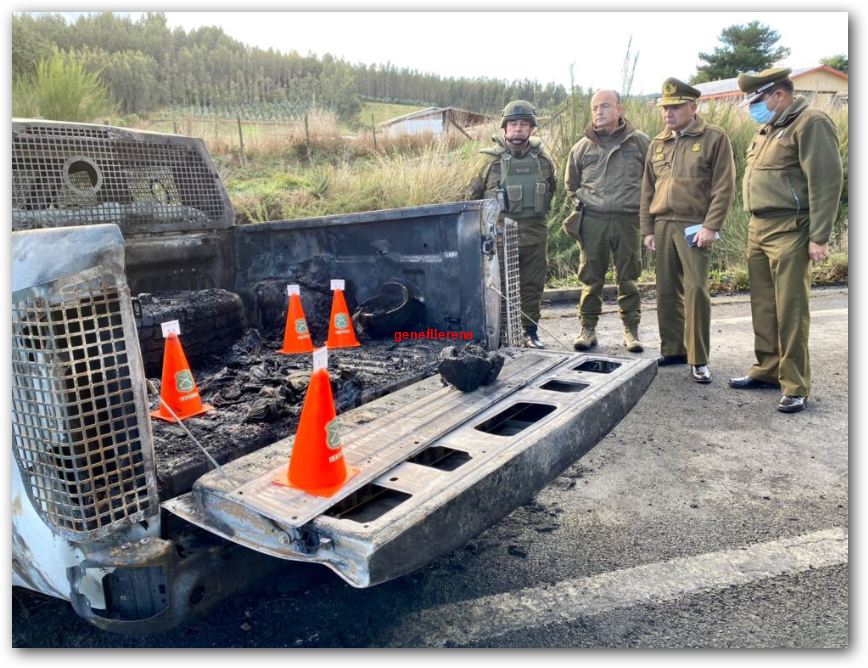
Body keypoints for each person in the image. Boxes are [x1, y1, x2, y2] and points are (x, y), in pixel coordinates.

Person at [729, 67, 843, 413]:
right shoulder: (768, 129)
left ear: (778, 95)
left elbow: (826, 182)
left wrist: (819, 237)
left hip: (791, 228)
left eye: (757, 100)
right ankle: (767, 370)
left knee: (791, 310)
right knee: (764, 305)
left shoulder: (810, 124)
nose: (753, 108)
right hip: (759, 227)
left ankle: (795, 384)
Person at [640, 77, 735, 383]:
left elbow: (724, 186)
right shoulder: (658, 142)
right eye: (665, 108)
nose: (668, 113)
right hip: (664, 223)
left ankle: (698, 358)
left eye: (676, 107)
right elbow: (647, 190)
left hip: (695, 225)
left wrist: (711, 225)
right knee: (666, 291)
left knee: (695, 290)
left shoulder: (713, 138)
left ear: (693, 107)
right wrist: (648, 229)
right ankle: (673, 349)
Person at [564, 89, 650, 353]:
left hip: (628, 221)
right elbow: (571, 185)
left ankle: (631, 330)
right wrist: (585, 205)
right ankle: (587, 329)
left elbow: (653, 180)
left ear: (619, 110)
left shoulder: (640, 143)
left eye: (604, 106)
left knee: (629, 278)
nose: (598, 112)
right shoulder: (582, 147)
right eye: (594, 108)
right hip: (593, 223)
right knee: (591, 279)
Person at [467, 100, 558, 348]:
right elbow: (471, 200)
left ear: (532, 129)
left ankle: (530, 332)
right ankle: (500, 335)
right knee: (497, 288)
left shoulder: (544, 162)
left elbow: (552, 192)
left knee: (532, 286)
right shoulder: (488, 162)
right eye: (513, 124)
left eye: (524, 124)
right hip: (498, 237)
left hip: (534, 236)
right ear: (505, 128)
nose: (518, 129)